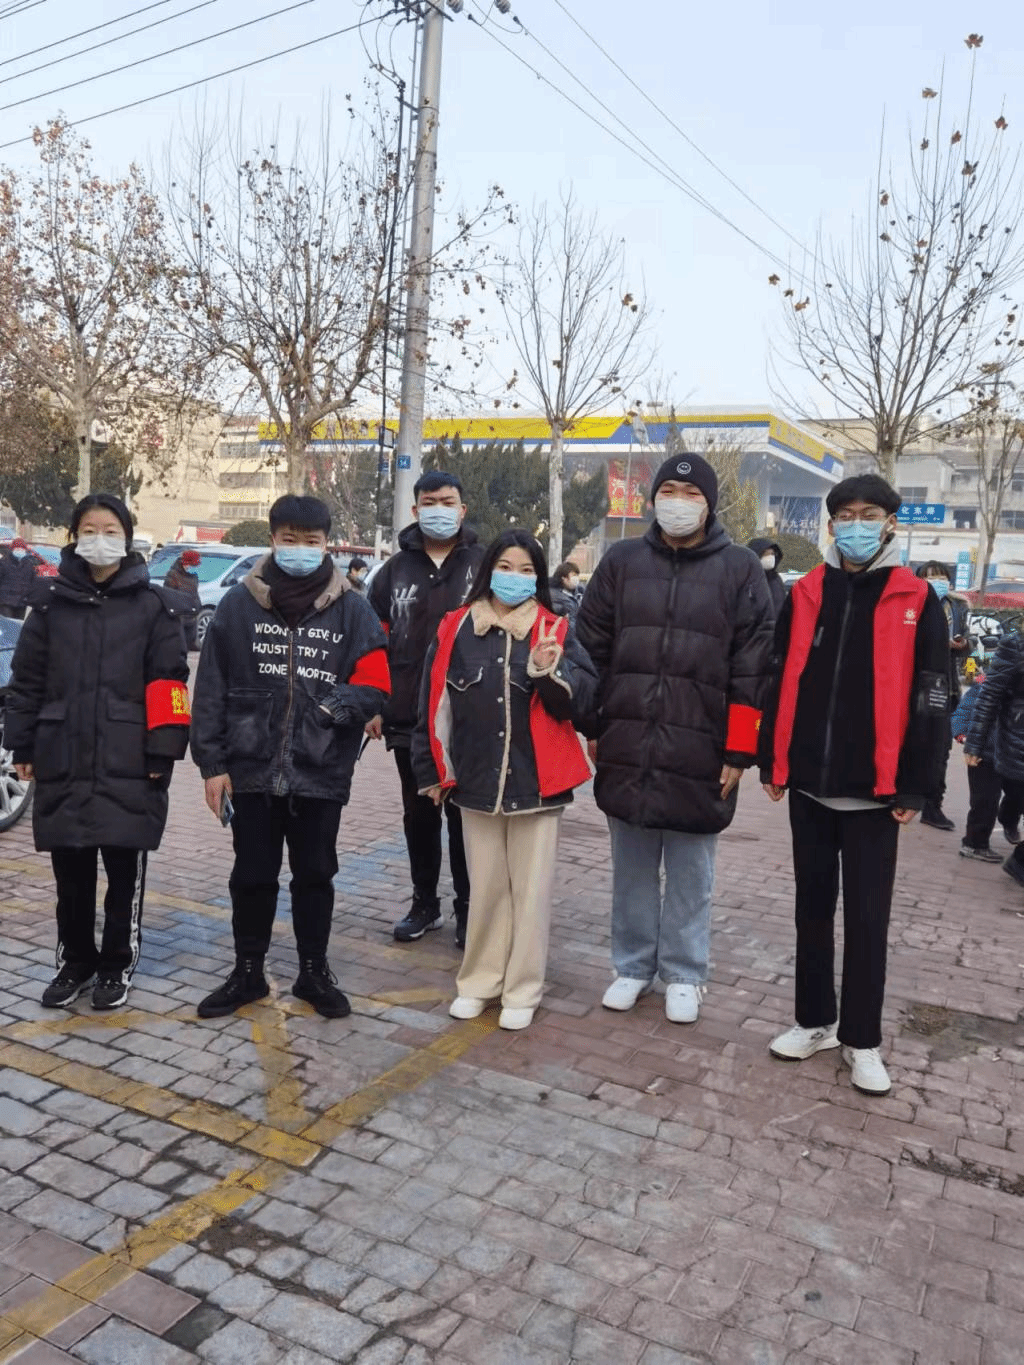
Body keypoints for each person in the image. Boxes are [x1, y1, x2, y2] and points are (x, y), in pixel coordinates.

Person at [759, 474, 949, 1096]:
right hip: (810, 786)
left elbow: (933, 695)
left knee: (867, 920)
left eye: (869, 514)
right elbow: (778, 673)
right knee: (811, 911)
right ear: (831, 524)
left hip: (876, 792)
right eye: (846, 514)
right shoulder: (808, 590)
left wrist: (919, 785)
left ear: (890, 523)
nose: (856, 524)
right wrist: (773, 761)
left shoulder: (916, 597)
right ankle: (814, 1020)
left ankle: (862, 1040)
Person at [577, 452, 774, 1025]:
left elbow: (755, 665)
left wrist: (741, 749)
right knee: (632, 864)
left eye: (691, 495)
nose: (678, 503)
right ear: (652, 499)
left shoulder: (740, 569)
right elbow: (588, 650)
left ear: (710, 505)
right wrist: (594, 721)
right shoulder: (621, 562)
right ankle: (633, 965)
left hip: (703, 743)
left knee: (691, 867)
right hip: (628, 735)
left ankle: (686, 973)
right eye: (668, 491)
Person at [191, 495, 390, 1020]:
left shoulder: (353, 610)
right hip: (250, 768)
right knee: (251, 875)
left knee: (315, 874)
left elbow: (376, 685)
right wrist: (212, 766)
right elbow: (209, 689)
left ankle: (313, 972)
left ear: (327, 544)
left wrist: (335, 706)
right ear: (273, 540)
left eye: (311, 541)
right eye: (290, 540)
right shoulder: (238, 606)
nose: (300, 550)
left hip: (320, 770)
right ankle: (247, 972)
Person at [3, 494, 191, 1010]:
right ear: (74, 536)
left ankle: (116, 965)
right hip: (62, 754)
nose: (100, 539)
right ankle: (75, 962)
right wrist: (22, 743)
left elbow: (169, 682)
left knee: (124, 874)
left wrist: (162, 754)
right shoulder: (49, 606)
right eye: (90, 529)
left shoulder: (153, 607)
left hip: (129, 760)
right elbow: (27, 680)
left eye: (111, 530)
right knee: (71, 874)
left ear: (126, 539)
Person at [412, 531, 597, 1030]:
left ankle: (522, 990)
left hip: (537, 784)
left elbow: (582, 704)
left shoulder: (555, 628)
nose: (514, 578)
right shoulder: (455, 627)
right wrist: (432, 770)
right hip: (476, 782)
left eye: (526, 570)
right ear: (488, 571)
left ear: (538, 577)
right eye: (506, 567)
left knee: (531, 896)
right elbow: (433, 703)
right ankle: (479, 982)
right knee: (486, 890)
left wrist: (548, 672)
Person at [367, 470, 484, 947]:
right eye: (430, 502)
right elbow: (372, 641)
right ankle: (424, 904)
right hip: (408, 716)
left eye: (448, 501)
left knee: (464, 816)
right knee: (419, 814)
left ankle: (468, 908)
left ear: (463, 509)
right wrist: (374, 703)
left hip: (470, 713)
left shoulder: (484, 565)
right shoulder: (393, 571)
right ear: (415, 510)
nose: (439, 510)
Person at [964, 628, 1024, 887]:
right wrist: (974, 745)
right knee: (988, 799)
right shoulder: (1016, 644)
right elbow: (988, 695)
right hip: (1015, 742)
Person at [916, 561, 972, 831]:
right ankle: (898, 795)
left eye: (940, 576)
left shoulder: (958, 607)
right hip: (913, 687)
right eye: (929, 577)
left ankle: (932, 806)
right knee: (909, 746)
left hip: (944, 688)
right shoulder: (911, 604)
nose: (935, 581)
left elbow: (969, 644)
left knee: (940, 751)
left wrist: (962, 644)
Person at [952, 671, 1020, 861]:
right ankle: (974, 844)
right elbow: (964, 710)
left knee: (1018, 794)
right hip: (983, 754)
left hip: (1013, 755)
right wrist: (962, 735)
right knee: (985, 801)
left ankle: (1008, 819)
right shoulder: (986, 684)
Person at [164, 549, 202, 649]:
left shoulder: (194, 577)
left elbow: (194, 594)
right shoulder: (173, 575)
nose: (195, 568)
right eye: (193, 565)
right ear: (186, 563)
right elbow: (169, 596)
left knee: (187, 647)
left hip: (191, 618)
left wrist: (197, 607)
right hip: (179, 618)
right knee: (178, 649)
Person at [0, 539, 42, 619]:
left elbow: (33, 582)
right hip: (6, 602)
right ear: (12, 549)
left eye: (21, 549)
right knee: (8, 624)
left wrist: (30, 597)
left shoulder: (28, 564)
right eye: (17, 549)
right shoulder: (3, 562)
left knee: (18, 625)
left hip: (21, 602)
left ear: (25, 550)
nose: (19, 551)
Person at [747, 537, 786, 615]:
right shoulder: (746, 579)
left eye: (772, 554)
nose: (770, 557)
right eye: (766, 554)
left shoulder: (776, 579)